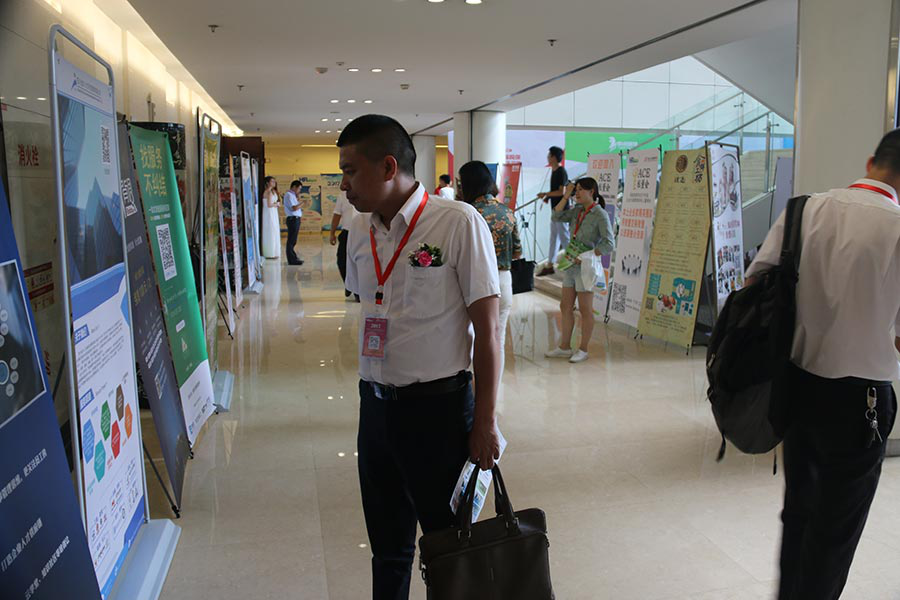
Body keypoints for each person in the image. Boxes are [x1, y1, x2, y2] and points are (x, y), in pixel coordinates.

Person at [340, 114, 501, 600]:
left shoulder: (457, 223)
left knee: (448, 548)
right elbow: (369, 303)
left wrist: (485, 422)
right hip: (375, 410)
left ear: (389, 167)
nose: (343, 185)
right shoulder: (358, 228)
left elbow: (488, 331)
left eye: (351, 171)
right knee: (388, 550)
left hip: (439, 413)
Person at [746, 130, 900, 600]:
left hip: (797, 386)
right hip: (862, 401)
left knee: (799, 512)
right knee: (835, 530)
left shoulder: (803, 210)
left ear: (871, 162)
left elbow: (755, 284)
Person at [458, 160, 522, 395]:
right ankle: (490, 393)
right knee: (497, 339)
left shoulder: (466, 213)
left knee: (469, 336)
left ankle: (471, 391)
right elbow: (517, 252)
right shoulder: (507, 212)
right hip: (503, 280)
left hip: (474, 280)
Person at [544, 177, 614, 363]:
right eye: (576, 190)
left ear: (592, 192)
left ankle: (583, 349)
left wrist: (589, 254)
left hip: (586, 267)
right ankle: (564, 347)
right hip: (571, 266)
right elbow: (556, 216)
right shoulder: (577, 210)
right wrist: (566, 195)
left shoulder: (600, 214)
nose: (577, 193)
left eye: (581, 190)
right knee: (565, 306)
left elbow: (609, 243)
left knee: (585, 309)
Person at [536, 145, 569, 276]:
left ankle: (572, 263)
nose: (547, 158)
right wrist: (548, 197)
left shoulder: (561, 171)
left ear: (554, 157)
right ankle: (550, 264)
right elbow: (556, 191)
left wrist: (546, 194)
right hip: (555, 209)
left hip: (562, 210)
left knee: (564, 237)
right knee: (554, 238)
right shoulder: (554, 171)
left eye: (549, 155)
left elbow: (562, 192)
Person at [330, 190, 360, 300]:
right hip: (346, 233)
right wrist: (332, 233)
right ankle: (348, 284)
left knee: (359, 263)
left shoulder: (367, 193)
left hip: (362, 233)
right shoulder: (343, 196)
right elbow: (337, 214)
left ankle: (358, 292)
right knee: (341, 261)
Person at [283, 180, 303, 265]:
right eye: (299, 189)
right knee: (291, 240)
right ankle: (291, 260)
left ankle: (294, 257)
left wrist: (298, 198)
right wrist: (302, 203)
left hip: (296, 219)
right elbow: (294, 208)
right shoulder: (289, 195)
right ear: (294, 187)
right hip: (293, 219)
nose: (299, 191)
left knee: (293, 240)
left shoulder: (293, 195)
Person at [261, 176, 281, 259]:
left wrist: (276, 204)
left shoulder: (273, 191)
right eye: (272, 181)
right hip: (269, 213)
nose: (274, 183)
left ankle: (274, 251)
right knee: (271, 230)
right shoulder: (268, 192)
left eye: (274, 181)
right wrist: (276, 204)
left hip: (273, 212)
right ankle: (270, 252)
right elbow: (269, 205)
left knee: (274, 230)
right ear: (267, 183)